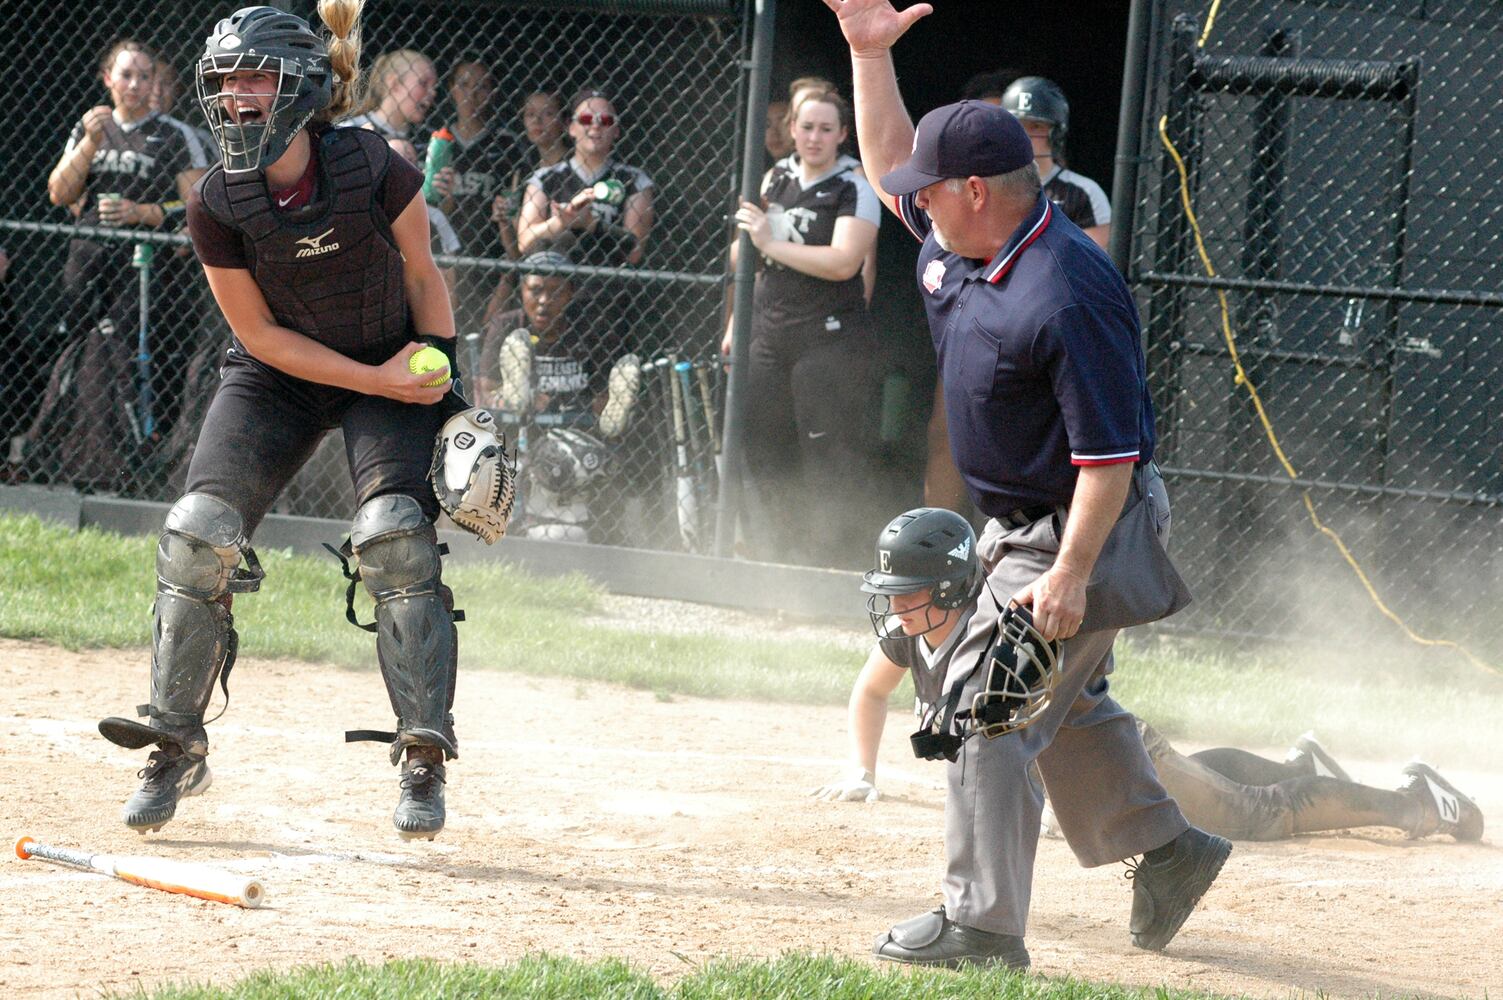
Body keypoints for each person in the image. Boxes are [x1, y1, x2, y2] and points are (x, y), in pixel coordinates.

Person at [824, 0, 1228, 966]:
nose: (908, 198)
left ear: (975, 189)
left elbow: (1108, 456)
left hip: (1083, 521)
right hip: (1020, 521)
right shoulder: (954, 244)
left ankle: (981, 925)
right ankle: (1168, 852)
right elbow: (887, 159)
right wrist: (867, 54)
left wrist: (1071, 574)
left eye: (931, 188)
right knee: (1057, 700)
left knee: (983, 707)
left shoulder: (1066, 289)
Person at [95, 3, 510, 844]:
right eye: (223, 81)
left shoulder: (372, 163)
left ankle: (423, 755)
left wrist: (438, 377)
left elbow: (426, 278)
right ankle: (173, 744)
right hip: (281, 373)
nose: (235, 96)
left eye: (253, 77)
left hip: (390, 359)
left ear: (301, 87)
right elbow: (257, 336)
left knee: (395, 533)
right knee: (196, 533)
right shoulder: (217, 197)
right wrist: (376, 378)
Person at [815, 515, 1485, 843]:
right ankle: (1295, 761)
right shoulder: (913, 636)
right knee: (1207, 783)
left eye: (911, 592)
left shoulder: (999, 632)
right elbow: (870, 693)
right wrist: (862, 772)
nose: (897, 606)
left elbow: (1035, 731)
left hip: (1108, 754)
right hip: (1104, 754)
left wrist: (1054, 807)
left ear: (953, 589)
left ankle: (1415, 801)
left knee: (1257, 817)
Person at [31, 39, 211, 492]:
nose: (134, 84)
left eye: (143, 76)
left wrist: (144, 212)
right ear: (108, 79)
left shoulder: (174, 135)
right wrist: (90, 142)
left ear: (154, 83)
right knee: (77, 346)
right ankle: (56, 453)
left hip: (143, 268)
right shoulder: (90, 128)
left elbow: (196, 205)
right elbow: (60, 194)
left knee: (118, 352)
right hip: (87, 257)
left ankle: (122, 461)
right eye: (125, 75)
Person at [726, 90, 881, 566]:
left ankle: (831, 558)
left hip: (827, 339)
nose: (814, 138)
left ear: (842, 135)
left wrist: (769, 241)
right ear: (791, 128)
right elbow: (742, 257)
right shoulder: (776, 176)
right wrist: (736, 319)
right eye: (806, 127)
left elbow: (842, 262)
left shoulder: (855, 185)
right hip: (769, 332)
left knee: (826, 451)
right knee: (762, 442)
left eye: (826, 129)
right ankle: (778, 554)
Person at [476, 250, 640, 542]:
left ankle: (604, 422)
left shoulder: (590, 329)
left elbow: (601, 393)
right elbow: (484, 392)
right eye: (536, 290)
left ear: (571, 294)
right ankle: (518, 396)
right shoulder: (507, 325)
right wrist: (507, 401)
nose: (544, 302)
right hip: (522, 434)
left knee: (600, 434)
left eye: (555, 293)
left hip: (577, 433)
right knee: (510, 416)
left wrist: (597, 408)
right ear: (522, 290)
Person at [428, 60, 525, 334]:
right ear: (451, 89)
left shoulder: (506, 144)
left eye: (482, 87)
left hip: (490, 255)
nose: (472, 94)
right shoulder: (436, 142)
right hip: (444, 259)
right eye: (464, 85)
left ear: (493, 92)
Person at [515, 89, 654, 269]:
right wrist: (562, 221)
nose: (595, 126)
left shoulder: (634, 180)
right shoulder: (545, 178)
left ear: (616, 130)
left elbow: (634, 252)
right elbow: (524, 243)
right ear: (571, 127)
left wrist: (591, 224)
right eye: (586, 119)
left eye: (605, 120)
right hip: (555, 286)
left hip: (610, 286)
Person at [1000, 76, 1111, 250]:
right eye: (1018, 125)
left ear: (1056, 133)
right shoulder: (988, 184)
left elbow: (1090, 261)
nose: (1025, 135)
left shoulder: (1084, 192)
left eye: (1036, 126)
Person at [388, 137, 461, 296]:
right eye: (396, 159)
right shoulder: (362, 207)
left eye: (410, 161)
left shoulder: (433, 216)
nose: (402, 166)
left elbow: (448, 288)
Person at [339, 48, 437, 143]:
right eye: (423, 83)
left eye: (434, 86)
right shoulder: (352, 130)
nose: (433, 92)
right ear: (394, 84)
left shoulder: (429, 140)